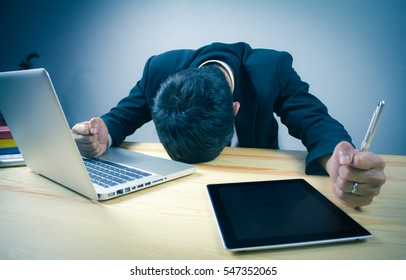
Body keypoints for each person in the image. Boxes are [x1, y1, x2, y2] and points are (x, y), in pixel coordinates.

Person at [71, 42, 386, 208]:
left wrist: (337, 162)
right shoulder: (160, 69)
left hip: (254, 188)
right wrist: (102, 135)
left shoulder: (270, 68)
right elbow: (121, 117)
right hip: (184, 189)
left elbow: (315, 121)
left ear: (235, 109)